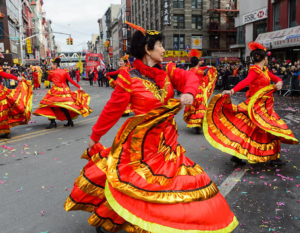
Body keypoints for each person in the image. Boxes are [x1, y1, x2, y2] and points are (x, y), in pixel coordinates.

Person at [64, 21, 238, 233]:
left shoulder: (167, 72)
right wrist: (95, 136)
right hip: (141, 150)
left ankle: (160, 223)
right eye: (160, 45)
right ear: (147, 49)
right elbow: (112, 110)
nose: (164, 49)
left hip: (168, 146)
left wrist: (189, 93)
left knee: (173, 188)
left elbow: (190, 78)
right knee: (137, 187)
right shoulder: (129, 78)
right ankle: (117, 217)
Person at [203, 41, 298, 166]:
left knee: (262, 130)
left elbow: (276, 78)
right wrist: (232, 90)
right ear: (265, 58)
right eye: (267, 57)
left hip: (265, 106)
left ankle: (268, 157)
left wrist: (279, 82)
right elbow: (245, 81)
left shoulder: (264, 70)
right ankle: (268, 157)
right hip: (256, 106)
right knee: (265, 129)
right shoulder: (255, 70)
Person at [33, 56, 92, 129]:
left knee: (49, 105)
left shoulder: (52, 72)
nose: (51, 66)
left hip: (55, 91)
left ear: (55, 64)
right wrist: (79, 87)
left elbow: (48, 79)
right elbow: (70, 80)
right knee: (63, 107)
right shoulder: (64, 71)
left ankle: (53, 122)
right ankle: (70, 121)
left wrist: (52, 76)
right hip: (64, 91)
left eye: (51, 64)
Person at [183, 50, 218, 133]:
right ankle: (199, 123)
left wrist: (206, 67)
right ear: (197, 62)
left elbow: (198, 69)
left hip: (193, 90)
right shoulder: (199, 71)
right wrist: (208, 68)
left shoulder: (190, 70)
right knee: (201, 106)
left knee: (194, 106)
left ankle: (195, 123)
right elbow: (199, 70)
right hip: (200, 90)